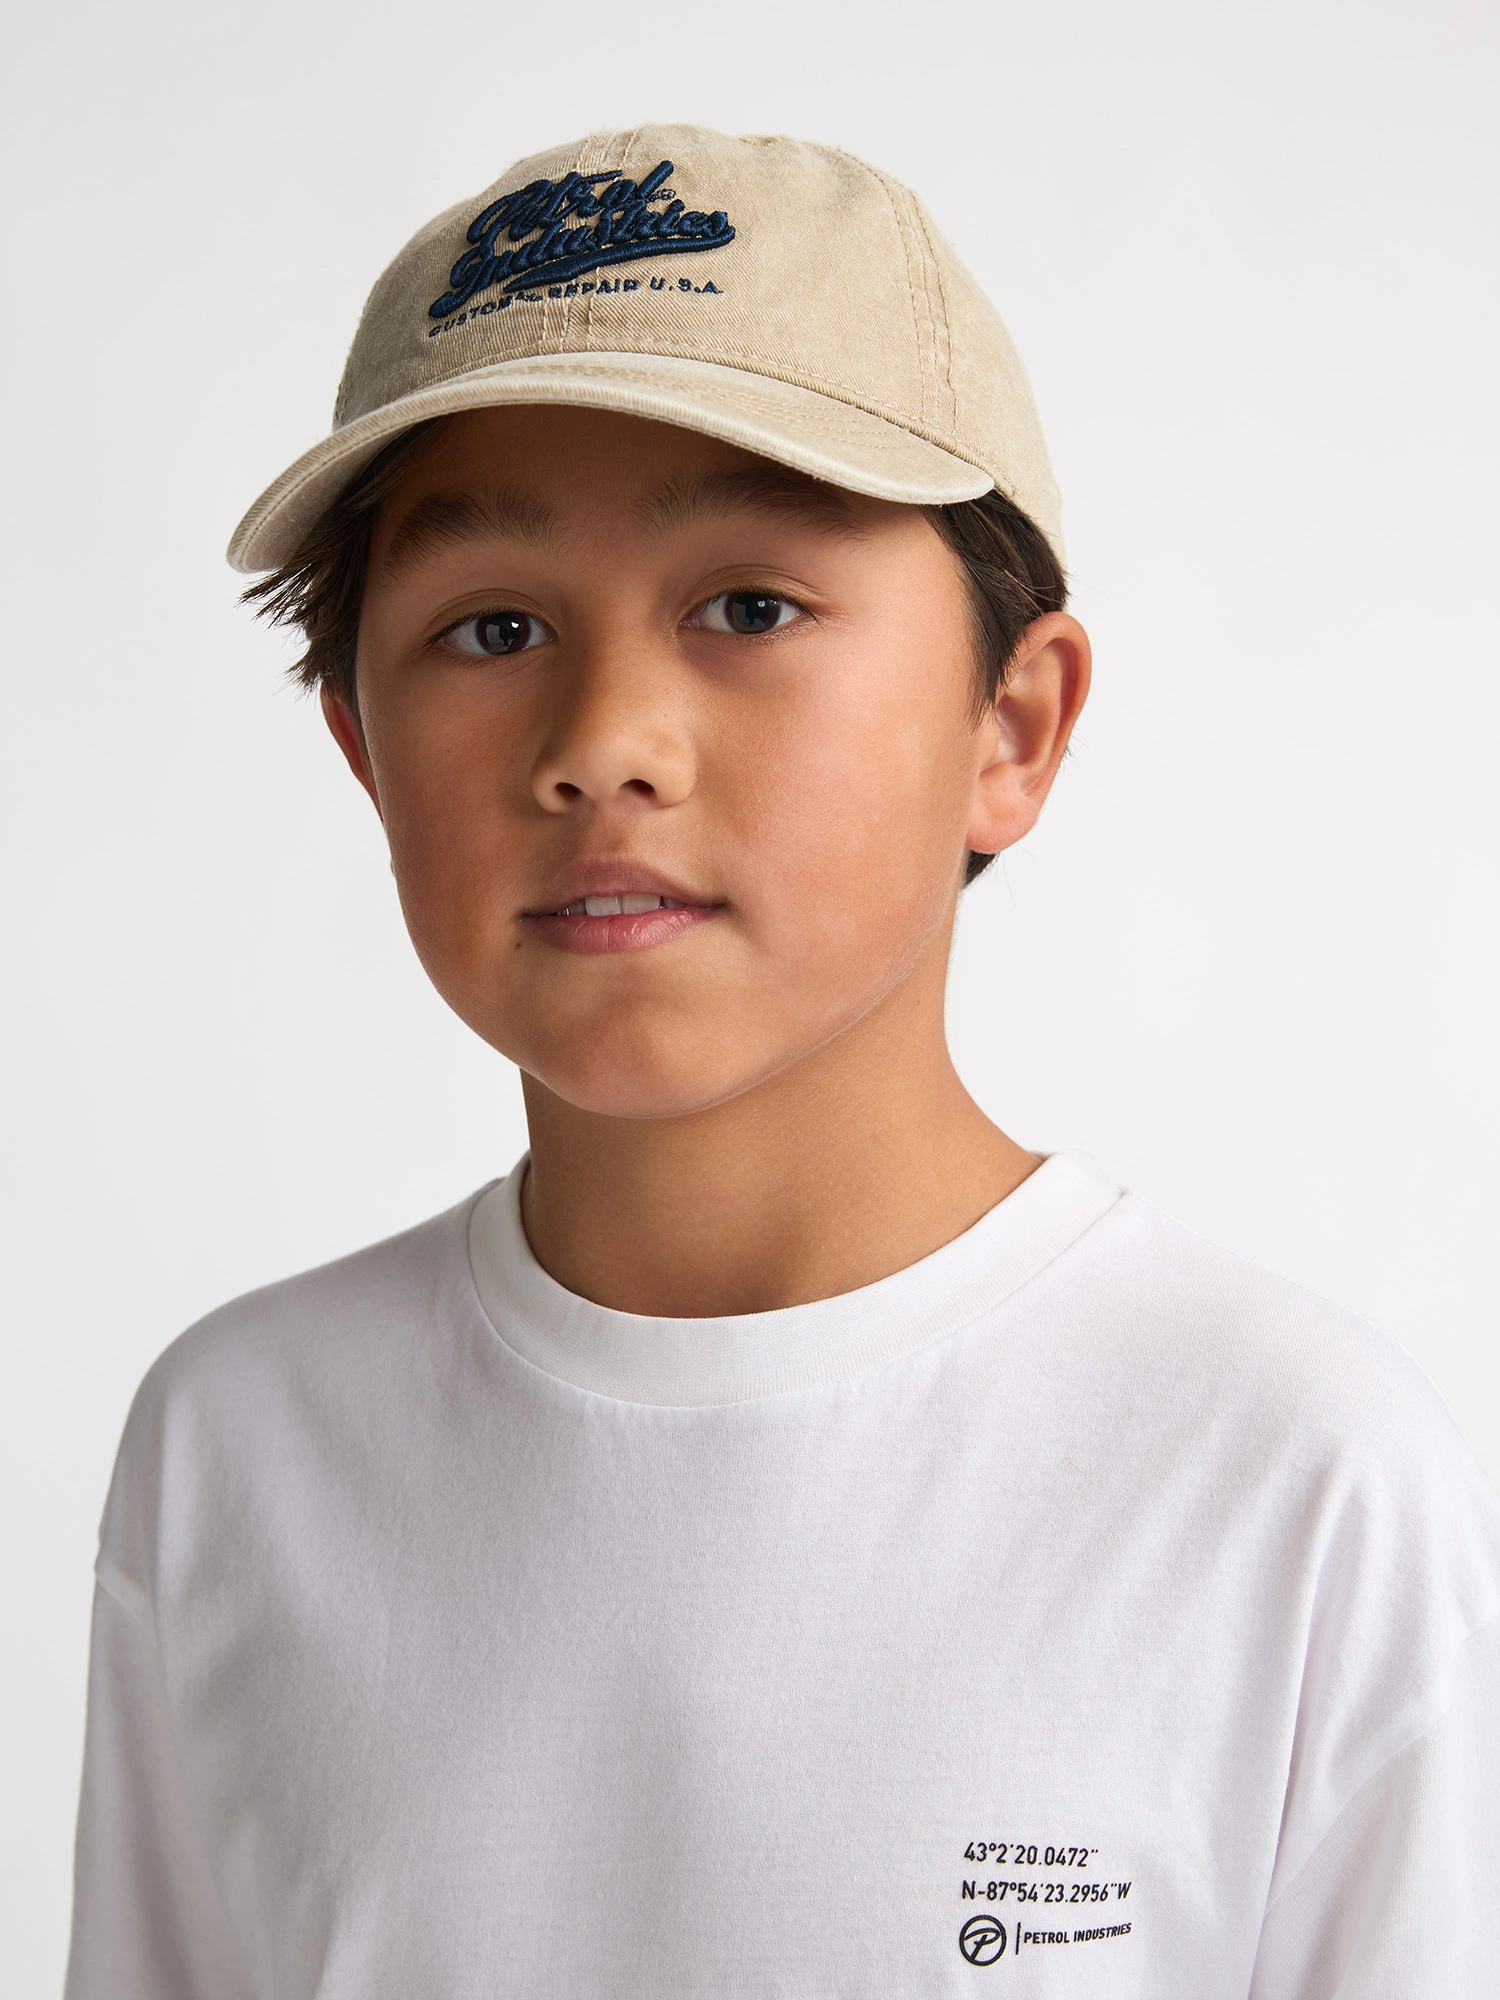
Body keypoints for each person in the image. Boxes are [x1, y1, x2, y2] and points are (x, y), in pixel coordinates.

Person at [65, 123, 1500, 1999]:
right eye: (493, 628)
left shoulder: (1290, 1475)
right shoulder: (240, 1448)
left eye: (748, 608)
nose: (606, 741)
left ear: (1012, 725)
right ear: (363, 750)